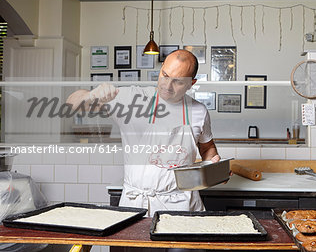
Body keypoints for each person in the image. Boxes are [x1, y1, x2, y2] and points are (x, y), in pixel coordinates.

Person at [66, 50, 220, 216]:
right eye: (165, 75)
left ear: (191, 83)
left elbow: (207, 148)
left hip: (180, 204)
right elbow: (71, 104)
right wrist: (91, 95)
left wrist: (215, 169)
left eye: (178, 82)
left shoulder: (199, 111)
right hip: (136, 203)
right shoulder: (132, 99)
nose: (167, 86)